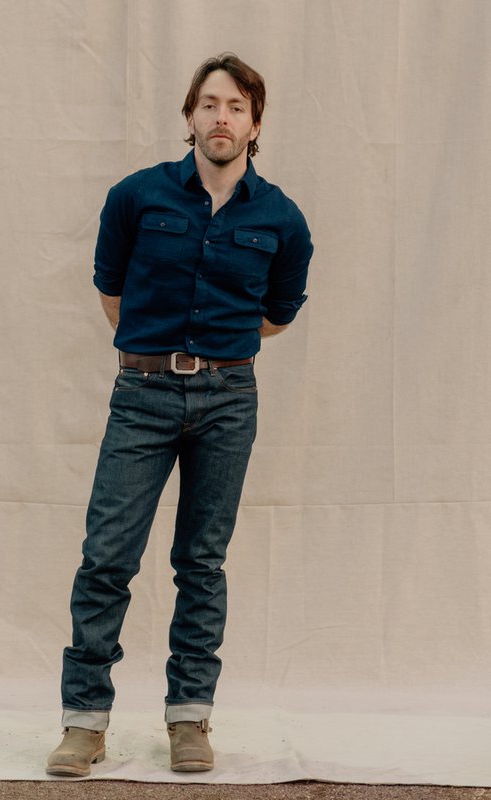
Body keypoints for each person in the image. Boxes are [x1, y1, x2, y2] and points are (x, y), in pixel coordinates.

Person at [46, 52, 314, 777]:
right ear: (189, 117)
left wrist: (214, 357)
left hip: (229, 401)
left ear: (255, 124)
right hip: (142, 395)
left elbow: (276, 315)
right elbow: (111, 292)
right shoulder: (135, 196)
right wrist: (159, 358)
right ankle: (83, 722)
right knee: (107, 557)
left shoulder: (283, 219)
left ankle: (189, 717)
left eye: (236, 107)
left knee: (201, 562)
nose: (221, 117)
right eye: (209, 104)